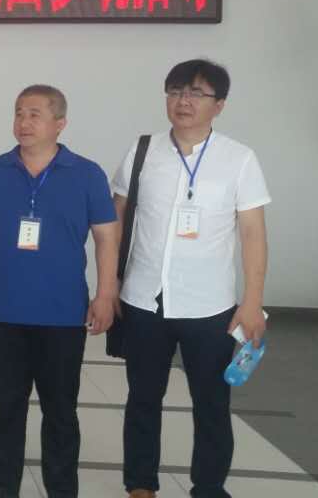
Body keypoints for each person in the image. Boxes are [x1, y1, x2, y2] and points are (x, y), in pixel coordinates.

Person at [114, 59, 270, 498]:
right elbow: (117, 219)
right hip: (144, 298)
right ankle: (140, 484)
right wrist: (108, 286)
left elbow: (253, 233)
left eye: (196, 93)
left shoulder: (239, 159)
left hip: (209, 305)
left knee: (212, 403)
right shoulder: (142, 151)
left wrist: (252, 302)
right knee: (143, 398)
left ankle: (209, 486)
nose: (183, 101)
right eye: (176, 91)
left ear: (219, 105)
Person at [0, 85, 119, 498]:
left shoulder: (87, 174)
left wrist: (105, 294)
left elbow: (106, 237)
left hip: (62, 312)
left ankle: (61, 489)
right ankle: (2, 486)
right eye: (19, 113)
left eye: (35, 114)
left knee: (61, 410)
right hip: (4, 308)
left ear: (60, 123)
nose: (24, 122)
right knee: (7, 406)